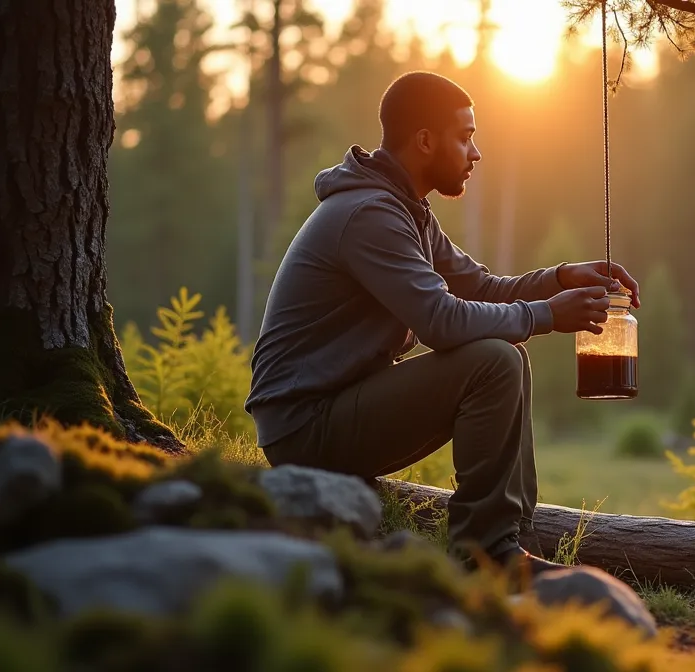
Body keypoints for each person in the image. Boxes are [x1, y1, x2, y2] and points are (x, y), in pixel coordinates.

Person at [244, 71, 640, 577]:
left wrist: (560, 277)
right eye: (465, 137)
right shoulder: (370, 214)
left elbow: (482, 288)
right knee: (495, 361)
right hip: (304, 427)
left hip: (335, 408)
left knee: (508, 356)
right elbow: (441, 321)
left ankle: (516, 537)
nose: (476, 153)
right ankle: (485, 554)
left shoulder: (406, 210)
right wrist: (547, 314)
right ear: (426, 141)